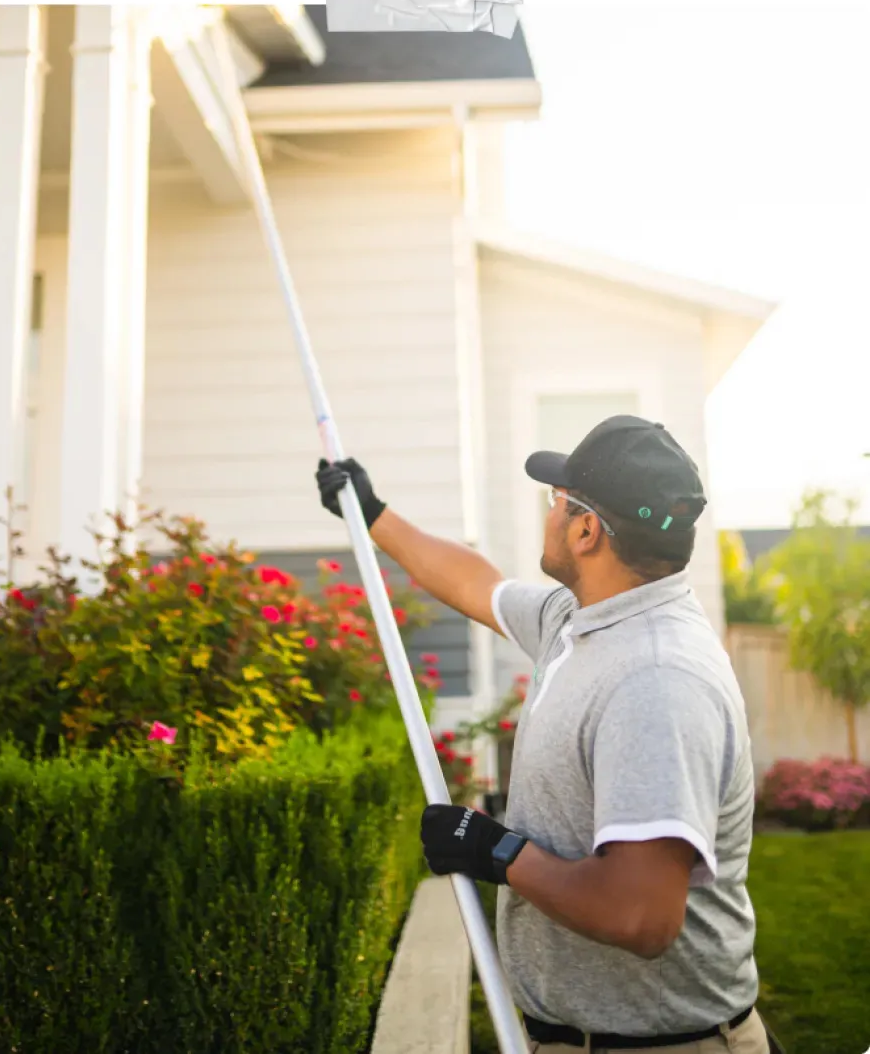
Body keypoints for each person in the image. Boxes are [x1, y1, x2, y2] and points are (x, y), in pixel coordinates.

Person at [315, 415, 776, 1054]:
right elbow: (479, 585)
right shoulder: (582, 619)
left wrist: (498, 854)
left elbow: (641, 914)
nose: (550, 510)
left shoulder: (655, 680)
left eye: (557, 499)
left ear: (586, 529)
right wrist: (373, 514)